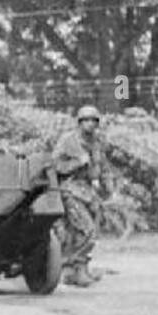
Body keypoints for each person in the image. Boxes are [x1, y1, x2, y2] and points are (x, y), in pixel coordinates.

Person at [53, 104, 112, 287]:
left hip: (89, 193)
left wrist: (108, 186)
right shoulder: (68, 140)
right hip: (70, 190)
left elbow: (103, 166)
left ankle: (77, 270)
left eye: (93, 120)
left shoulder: (97, 142)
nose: (90, 124)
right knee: (87, 231)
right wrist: (77, 163)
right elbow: (55, 165)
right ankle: (73, 268)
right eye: (86, 120)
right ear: (79, 122)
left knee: (83, 232)